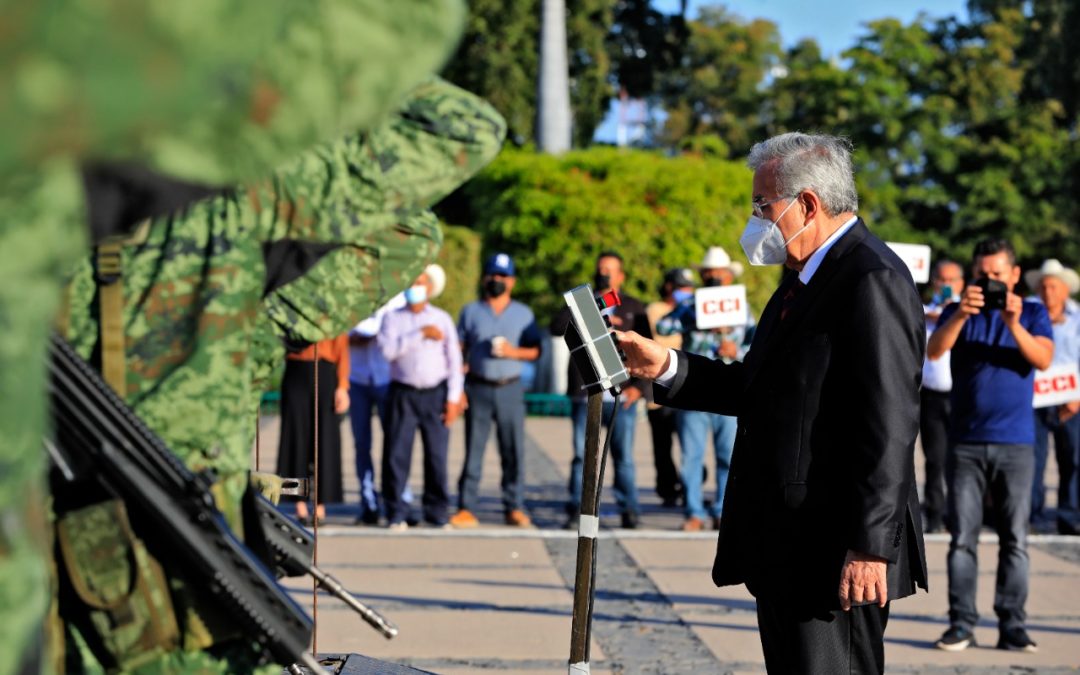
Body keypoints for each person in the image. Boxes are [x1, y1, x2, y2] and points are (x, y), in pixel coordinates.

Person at [616, 132, 928, 673]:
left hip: (835, 550)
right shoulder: (801, 280)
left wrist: (871, 547)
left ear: (807, 203)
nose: (757, 220)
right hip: (788, 545)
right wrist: (664, 364)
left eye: (763, 206)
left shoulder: (870, 278)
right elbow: (757, 388)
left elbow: (889, 424)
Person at [927, 239, 1053, 653]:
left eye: (998, 274)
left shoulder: (1032, 312)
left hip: (1016, 443)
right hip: (964, 441)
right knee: (963, 537)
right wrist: (962, 312)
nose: (991, 281)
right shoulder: (960, 311)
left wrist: (1014, 323)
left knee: (1015, 538)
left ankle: (1012, 624)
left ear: (1015, 275)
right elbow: (934, 350)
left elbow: (1043, 359)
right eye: (983, 274)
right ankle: (961, 623)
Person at [551, 251, 653, 530]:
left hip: (622, 397)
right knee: (581, 457)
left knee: (624, 458)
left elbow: (648, 349)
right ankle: (576, 509)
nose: (604, 274)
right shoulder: (584, 303)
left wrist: (640, 389)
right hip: (586, 394)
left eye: (609, 270)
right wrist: (587, 304)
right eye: (600, 269)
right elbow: (557, 325)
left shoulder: (633, 306)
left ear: (621, 276)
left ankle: (629, 510)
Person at [656, 247, 755, 531]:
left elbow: (757, 342)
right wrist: (694, 316)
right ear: (703, 275)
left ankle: (723, 510)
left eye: (718, 273)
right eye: (708, 273)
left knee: (728, 455)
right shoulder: (691, 305)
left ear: (727, 276)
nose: (713, 277)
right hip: (694, 386)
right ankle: (694, 512)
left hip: (730, 387)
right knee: (692, 455)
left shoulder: (741, 307)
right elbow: (664, 326)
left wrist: (736, 348)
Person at [451, 253, 542, 527]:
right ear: (484, 278)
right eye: (492, 275)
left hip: (510, 388)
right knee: (473, 451)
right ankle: (467, 506)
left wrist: (513, 352)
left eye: (503, 276)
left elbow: (536, 350)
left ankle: (514, 506)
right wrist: (458, 388)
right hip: (478, 386)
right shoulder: (471, 311)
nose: (497, 280)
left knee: (513, 450)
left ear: (511, 281)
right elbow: (458, 349)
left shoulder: (523, 313)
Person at [348, 266, 444, 525]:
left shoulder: (400, 298)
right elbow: (342, 334)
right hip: (357, 377)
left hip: (386, 380)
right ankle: (368, 502)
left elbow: (396, 339)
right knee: (362, 445)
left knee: (396, 445)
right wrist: (353, 337)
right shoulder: (352, 297)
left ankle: (402, 498)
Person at [378, 270, 464, 529]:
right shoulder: (392, 319)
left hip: (434, 394)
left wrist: (453, 398)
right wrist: (420, 334)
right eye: (411, 282)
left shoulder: (442, 318)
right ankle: (395, 512)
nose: (414, 287)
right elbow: (388, 351)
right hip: (402, 392)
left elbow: (454, 361)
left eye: (419, 282)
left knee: (437, 455)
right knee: (396, 454)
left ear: (429, 288)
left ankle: (437, 512)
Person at [1025, 259, 1080, 532]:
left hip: (1071, 400)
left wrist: (1077, 396)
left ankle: (1069, 516)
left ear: (1065, 289)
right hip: (1034, 399)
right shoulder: (1029, 314)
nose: (1049, 292)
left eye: (1054, 287)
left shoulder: (1078, 318)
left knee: (1073, 458)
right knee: (1034, 459)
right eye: (1044, 287)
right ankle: (1032, 515)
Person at [276, 335, 350, 525]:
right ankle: (298, 504)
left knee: (325, 442)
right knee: (295, 442)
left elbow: (342, 349)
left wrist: (342, 386)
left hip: (325, 372)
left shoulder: (332, 312)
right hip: (296, 371)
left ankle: (320, 506)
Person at [920, 260, 965, 533]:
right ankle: (935, 513)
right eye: (941, 280)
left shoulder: (968, 311)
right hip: (931, 396)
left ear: (961, 283)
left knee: (962, 459)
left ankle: (959, 513)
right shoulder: (923, 309)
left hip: (961, 395)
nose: (946, 286)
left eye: (951, 281)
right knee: (935, 459)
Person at [645, 268, 695, 507]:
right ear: (668, 287)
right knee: (663, 446)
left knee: (689, 446)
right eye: (681, 287)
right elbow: (662, 339)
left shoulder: (692, 310)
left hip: (686, 386)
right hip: (660, 390)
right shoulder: (655, 310)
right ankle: (667, 489)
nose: (686, 292)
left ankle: (689, 486)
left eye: (689, 288)